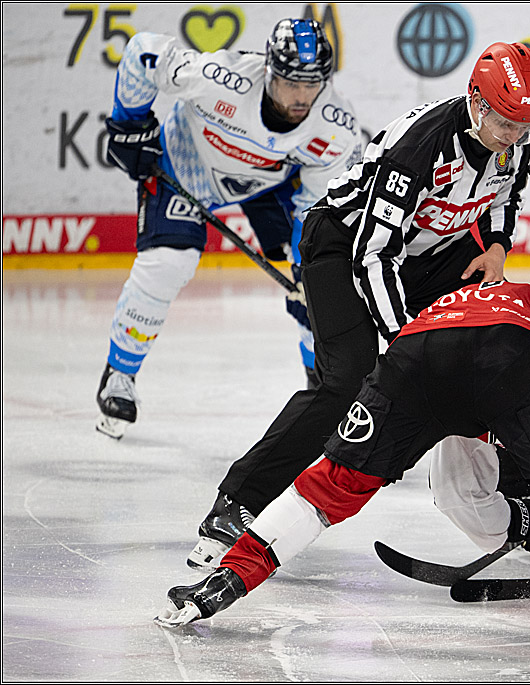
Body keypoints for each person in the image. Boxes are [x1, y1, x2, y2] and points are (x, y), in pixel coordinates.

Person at [156, 279, 530, 656]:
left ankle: (218, 585)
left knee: (332, 483)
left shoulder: (459, 311)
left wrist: (515, 526)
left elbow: (460, 498)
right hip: (510, 356)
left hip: (415, 357)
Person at [184, 42, 530, 571]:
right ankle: (237, 504)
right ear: (476, 102)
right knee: (347, 381)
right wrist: (403, 339)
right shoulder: (420, 148)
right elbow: (374, 252)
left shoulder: (515, 137)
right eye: (508, 122)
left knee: (489, 354)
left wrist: (497, 247)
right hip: (345, 245)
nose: (518, 135)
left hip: (435, 249)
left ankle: (519, 491)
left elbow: (507, 194)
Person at [96, 18, 362, 439]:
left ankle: (323, 388)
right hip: (185, 169)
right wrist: (128, 125)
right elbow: (143, 50)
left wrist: (305, 264)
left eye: (313, 84)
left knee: (320, 282)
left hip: (265, 185)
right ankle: (119, 373)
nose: (302, 97)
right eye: (292, 82)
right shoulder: (220, 78)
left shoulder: (337, 128)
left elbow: (315, 209)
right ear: (270, 71)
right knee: (169, 263)